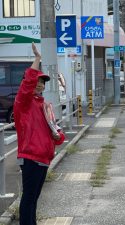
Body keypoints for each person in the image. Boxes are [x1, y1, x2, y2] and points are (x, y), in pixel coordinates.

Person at [14, 43, 65, 225]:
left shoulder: (44, 106)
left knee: (34, 198)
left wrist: (58, 137)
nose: (39, 84)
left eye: (42, 82)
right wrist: (37, 59)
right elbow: (27, 84)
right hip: (30, 157)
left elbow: (54, 130)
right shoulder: (23, 104)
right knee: (28, 198)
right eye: (37, 81)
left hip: (43, 158)